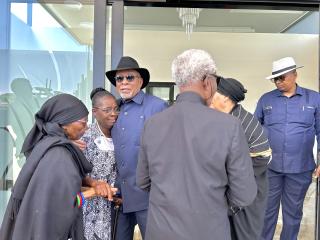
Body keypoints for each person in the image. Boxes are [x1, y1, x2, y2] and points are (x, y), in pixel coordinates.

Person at [136, 49, 257, 240]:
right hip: (209, 230)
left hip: (160, 231)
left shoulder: (152, 124)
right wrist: (214, 203)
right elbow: (244, 194)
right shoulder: (229, 126)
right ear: (207, 81)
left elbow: (142, 181)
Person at [0, 93, 92, 240]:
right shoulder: (60, 155)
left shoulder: (46, 144)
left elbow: (51, 192)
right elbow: (64, 205)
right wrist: (93, 192)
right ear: (64, 123)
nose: (86, 127)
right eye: (83, 122)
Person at [254, 57, 320, 240]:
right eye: (275, 79)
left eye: (282, 77)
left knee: (292, 215)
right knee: (266, 212)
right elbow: (254, 130)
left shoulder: (314, 98)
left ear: (295, 74)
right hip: (270, 168)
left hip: (300, 168)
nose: (278, 82)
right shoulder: (266, 99)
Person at [105, 56, 168, 239]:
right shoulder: (113, 108)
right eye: (119, 79)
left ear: (140, 81)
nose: (124, 82)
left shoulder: (157, 106)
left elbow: (168, 151)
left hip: (148, 196)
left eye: (129, 77)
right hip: (119, 195)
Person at [210, 77, 271, 240]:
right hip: (230, 192)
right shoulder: (223, 118)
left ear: (225, 97)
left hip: (248, 194)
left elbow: (262, 157)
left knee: (244, 235)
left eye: (213, 92)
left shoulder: (245, 121)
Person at [81, 88, 118, 240]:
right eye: (107, 110)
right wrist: (95, 184)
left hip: (114, 205)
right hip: (90, 206)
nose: (113, 113)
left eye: (116, 109)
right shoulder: (85, 137)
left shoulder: (120, 134)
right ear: (95, 112)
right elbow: (76, 172)